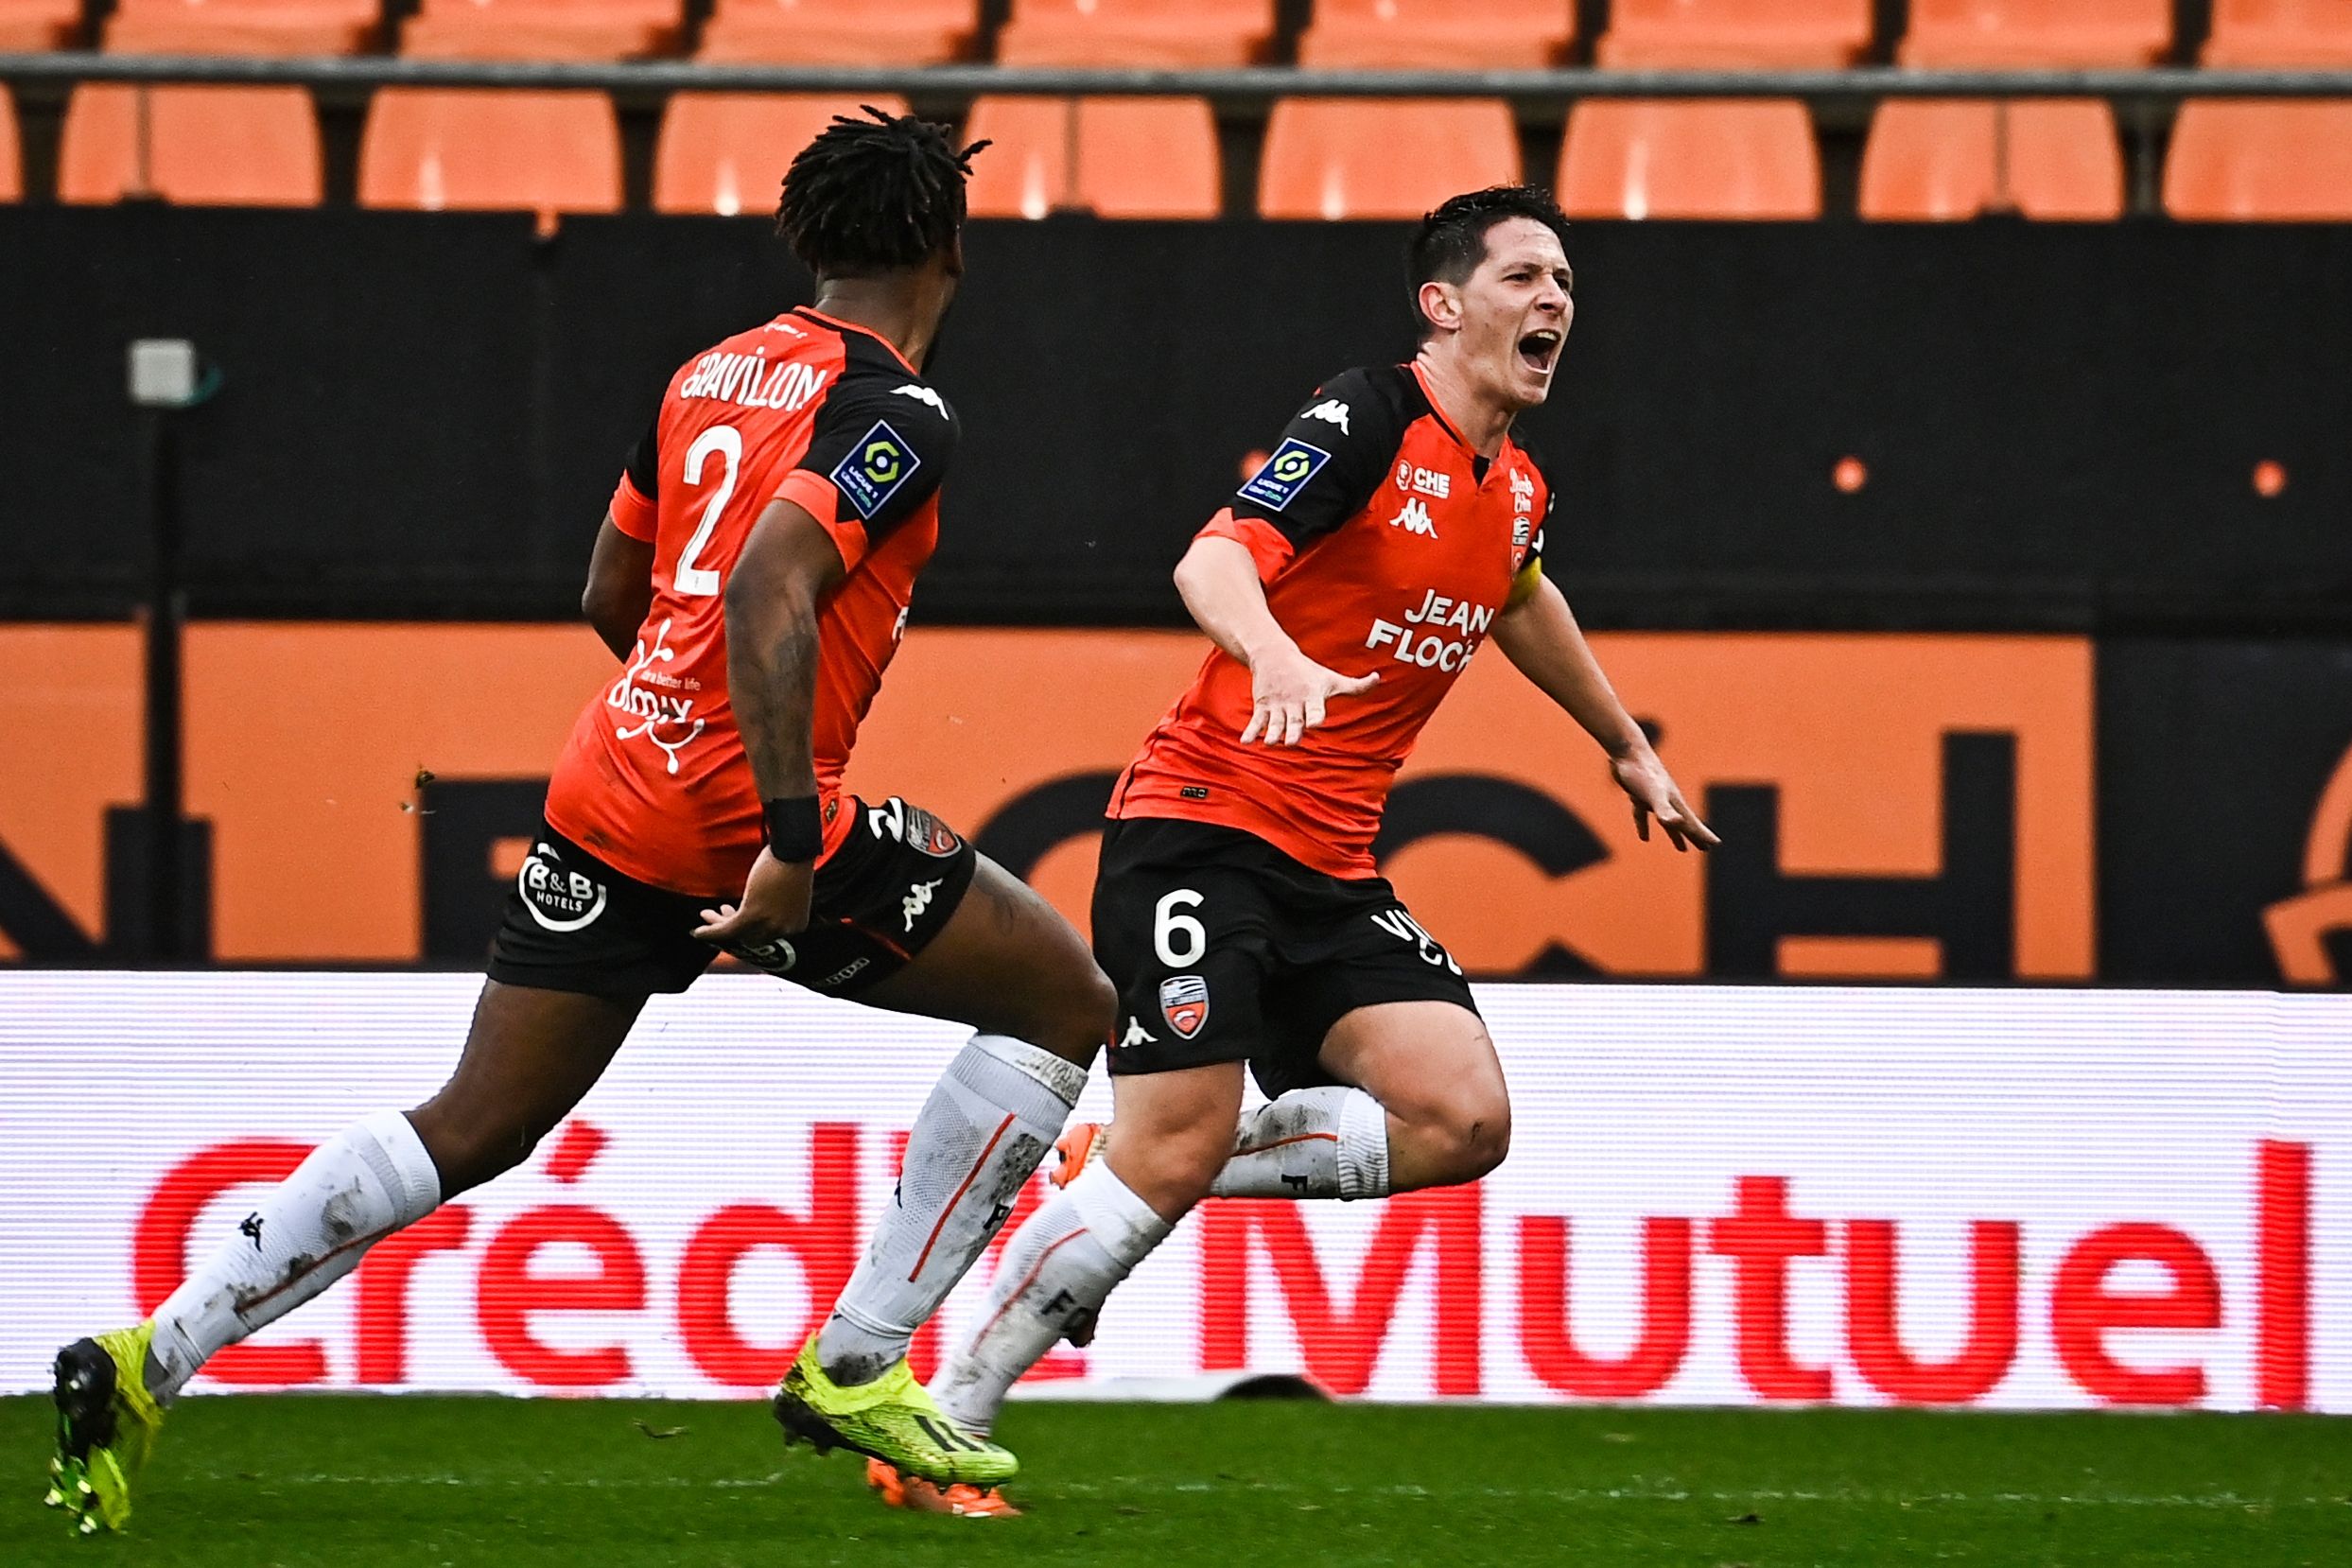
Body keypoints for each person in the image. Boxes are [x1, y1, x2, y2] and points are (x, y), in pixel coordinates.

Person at [45, 108, 1117, 1538]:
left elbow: (617, 589)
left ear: (811, 238)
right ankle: (860, 1362)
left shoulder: (707, 371)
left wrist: (674, 737)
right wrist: (788, 844)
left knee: (468, 1123)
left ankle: (147, 1352)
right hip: (752, 817)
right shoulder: (899, 409)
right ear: (950, 248)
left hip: (611, 792)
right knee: (1067, 998)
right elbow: (766, 587)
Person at [868, 184, 1716, 1516]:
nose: (1555, 300)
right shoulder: (1371, 414)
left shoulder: (1519, 485)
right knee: (1179, 1143)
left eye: (1564, 280)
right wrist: (1267, 646)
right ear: (1443, 307)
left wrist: (1624, 741)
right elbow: (1213, 560)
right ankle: (945, 1414)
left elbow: (1519, 593)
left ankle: (1128, 1160)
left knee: (1463, 1117)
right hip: (1199, 831)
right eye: (1522, 278)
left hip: (1330, 868)